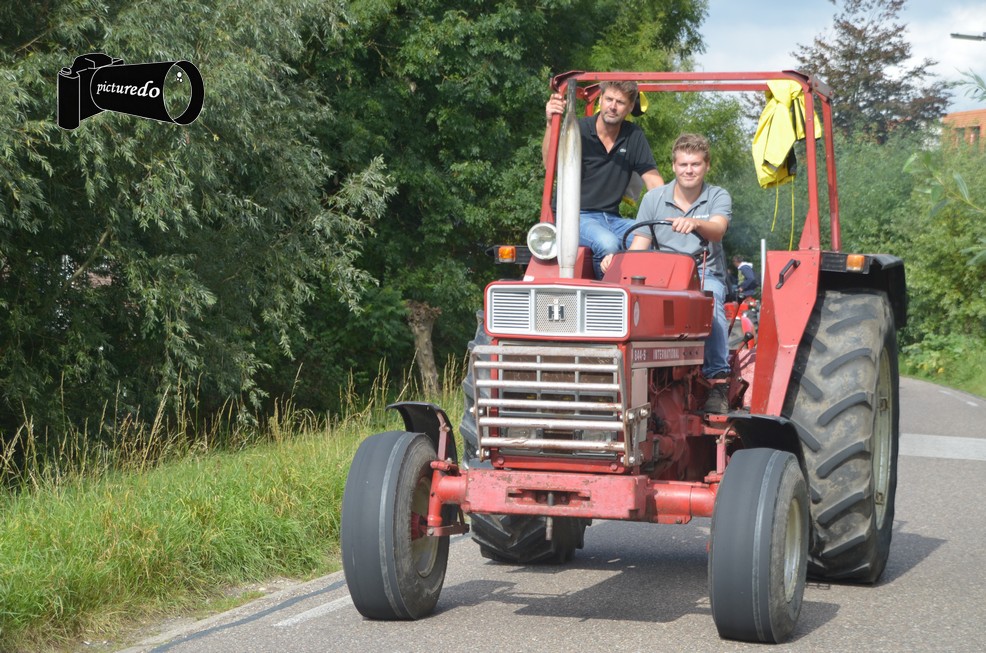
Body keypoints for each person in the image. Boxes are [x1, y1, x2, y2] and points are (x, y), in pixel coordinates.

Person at [601, 133, 732, 413]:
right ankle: (610, 373)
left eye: (695, 164)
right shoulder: (654, 198)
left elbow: (718, 229)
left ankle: (717, 380)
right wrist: (619, 265)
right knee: (624, 299)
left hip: (701, 272)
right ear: (673, 166)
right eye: (683, 164)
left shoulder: (717, 196)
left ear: (706, 165)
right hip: (661, 275)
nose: (689, 170)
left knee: (712, 305)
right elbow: (640, 244)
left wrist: (696, 223)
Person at [543, 81, 664, 277]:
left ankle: (637, 291)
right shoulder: (578, 129)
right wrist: (550, 123)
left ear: (630, 107)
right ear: (600, 100)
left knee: (656, 239)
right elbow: (551, 165)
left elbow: (654, 183)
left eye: (620, 102)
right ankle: (609, 294)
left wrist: (674, 213)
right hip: (575, 216)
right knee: (608, 244)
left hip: (612, 218)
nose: (613, 106)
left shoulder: (633, 136)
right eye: (609, 99)